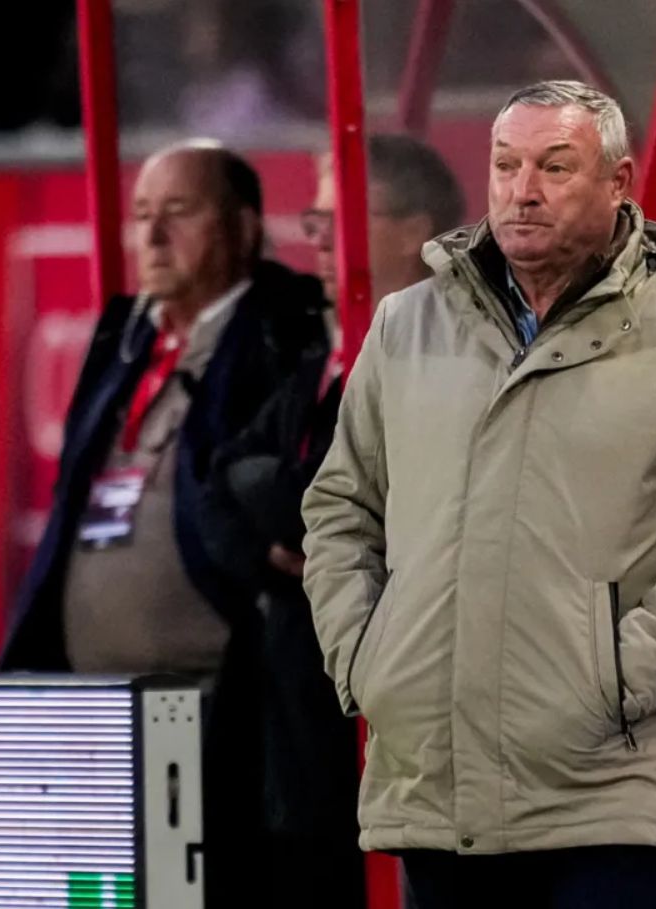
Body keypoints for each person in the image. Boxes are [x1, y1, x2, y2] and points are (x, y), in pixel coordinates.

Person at [301, 80, 656, 909]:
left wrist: (616, 680)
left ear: (618, 182)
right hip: (439, 791)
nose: (522, 190)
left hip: (610, 796)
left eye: (555, 167)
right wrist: (367, 660)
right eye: (506, 165)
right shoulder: (405, 325)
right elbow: (340, 509)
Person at [0, 142, 328, 907]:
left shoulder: (279, 329)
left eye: (178, 212)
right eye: (142, 214)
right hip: (93, 713)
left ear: (245, 227)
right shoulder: (124, 336)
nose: (150, 236)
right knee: (98, 895)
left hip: (214, 713)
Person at [193, 134, 464, 908]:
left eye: (336, 218)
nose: (315, 240)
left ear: (414, 233)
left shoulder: (452, 351)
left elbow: (330, 499)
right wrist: (272, 546)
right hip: (293, 717)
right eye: (312, 221)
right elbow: (220, 482)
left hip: (389, 725)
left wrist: (277, 499)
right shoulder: (326, 354)